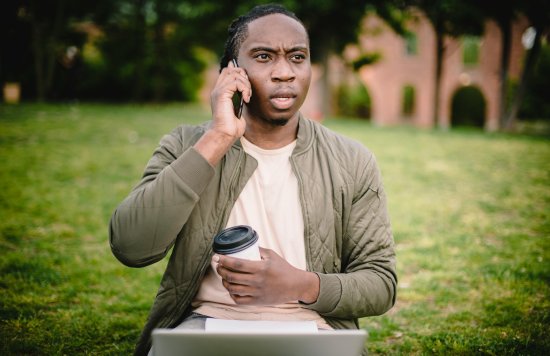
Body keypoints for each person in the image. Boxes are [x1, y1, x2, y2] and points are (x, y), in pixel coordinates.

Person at [109, 4, 396, 355]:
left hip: (314, 329)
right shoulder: (185, 145)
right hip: (206, 326)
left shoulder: (352, 161)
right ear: (232, 72)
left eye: (297, 57)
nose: (284, 72)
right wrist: (216, 139)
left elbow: (381, 283)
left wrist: (301, 285)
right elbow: (130, 246)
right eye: (264, 56)